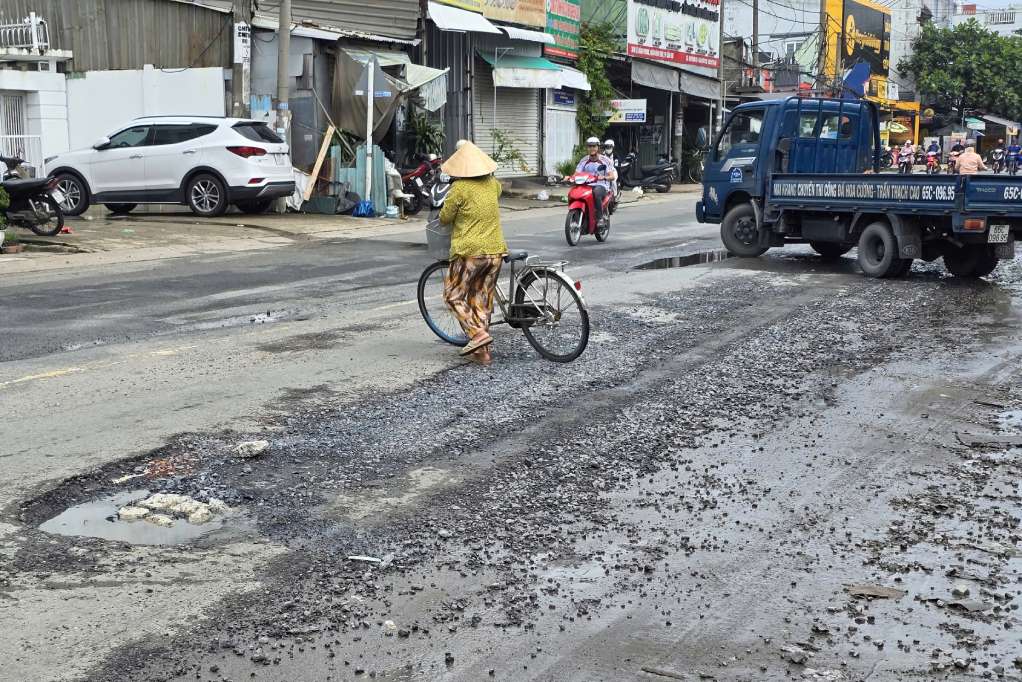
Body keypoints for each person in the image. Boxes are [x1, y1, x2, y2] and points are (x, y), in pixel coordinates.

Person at [438, 140, 508, 365]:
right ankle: (483, 352)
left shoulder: (459, 189)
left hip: (470, 252)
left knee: (453, 296)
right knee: (481, 299)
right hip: (495, 251)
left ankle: (477, 335)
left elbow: (444, 218)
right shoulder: (493, 184)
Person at [567, 137, 617, 227]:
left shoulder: (605, 160)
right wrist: (569, 177)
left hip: (601, 186)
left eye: (594, 146)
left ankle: (600, 218)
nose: (592, 148)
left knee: (596, 192)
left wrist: (604, 177)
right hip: (586, 185)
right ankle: (577, 216)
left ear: (598, 147)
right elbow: (576, 173)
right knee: (573, 192)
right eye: (589, 146)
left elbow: (612, 176)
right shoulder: (584, 160)